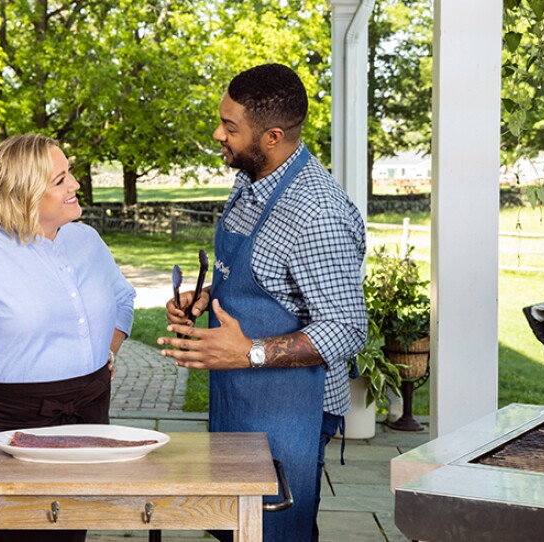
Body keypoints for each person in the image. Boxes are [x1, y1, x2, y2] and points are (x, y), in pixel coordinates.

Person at [157, 63, 367, 542]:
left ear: (272, 136)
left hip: (292, 409)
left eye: (230, 127)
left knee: (276, 533)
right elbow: (264, 281)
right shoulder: (252, 177)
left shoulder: (318, 212)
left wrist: (247, 351)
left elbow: (348, 327)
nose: (218, 134)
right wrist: (208, 298)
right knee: (240, 527)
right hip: (239, 399)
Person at [0, 134, 135, 542]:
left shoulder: (86, 240)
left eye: (69, 174)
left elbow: (123, 298)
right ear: (24, 193)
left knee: (73, 527)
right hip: (17, 420)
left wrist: (107, 350)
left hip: (90, 407)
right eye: (60, 180)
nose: (75, 186)